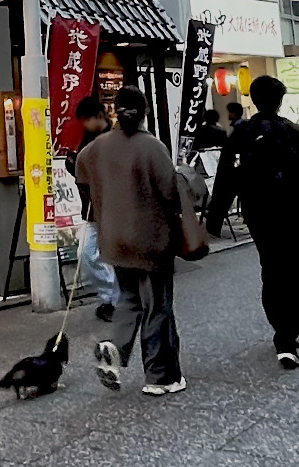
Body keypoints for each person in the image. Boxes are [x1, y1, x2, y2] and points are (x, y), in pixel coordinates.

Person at [75, 86, 186, 396]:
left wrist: (96, 200)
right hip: (151, 241)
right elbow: (171, 193)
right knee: (157, 306)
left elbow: (80, 173)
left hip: (114, 238)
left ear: (115, 111)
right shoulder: (153, 147)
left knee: (128, 299)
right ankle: (160, 377)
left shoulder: (97, 148)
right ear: (145, 112)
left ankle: (116, 346)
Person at [207, 76, 299, 369]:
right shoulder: (291, 131)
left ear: (255, 100)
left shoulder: (242, 133)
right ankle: (292, 329)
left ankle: (283, 337)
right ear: (280, 101)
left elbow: (226, 177)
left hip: (259, 213)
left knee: (271, 269)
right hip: (292, 212)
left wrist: (214, 218)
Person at [66, 97, 121, 321]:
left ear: (99, 116)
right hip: (92, 209)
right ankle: (112, 297)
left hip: (112, 209)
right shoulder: (89, 138)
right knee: (86, 253)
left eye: (87, 120)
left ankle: (115, 301)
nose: (85, 125)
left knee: (111, 256)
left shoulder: (114, 140)